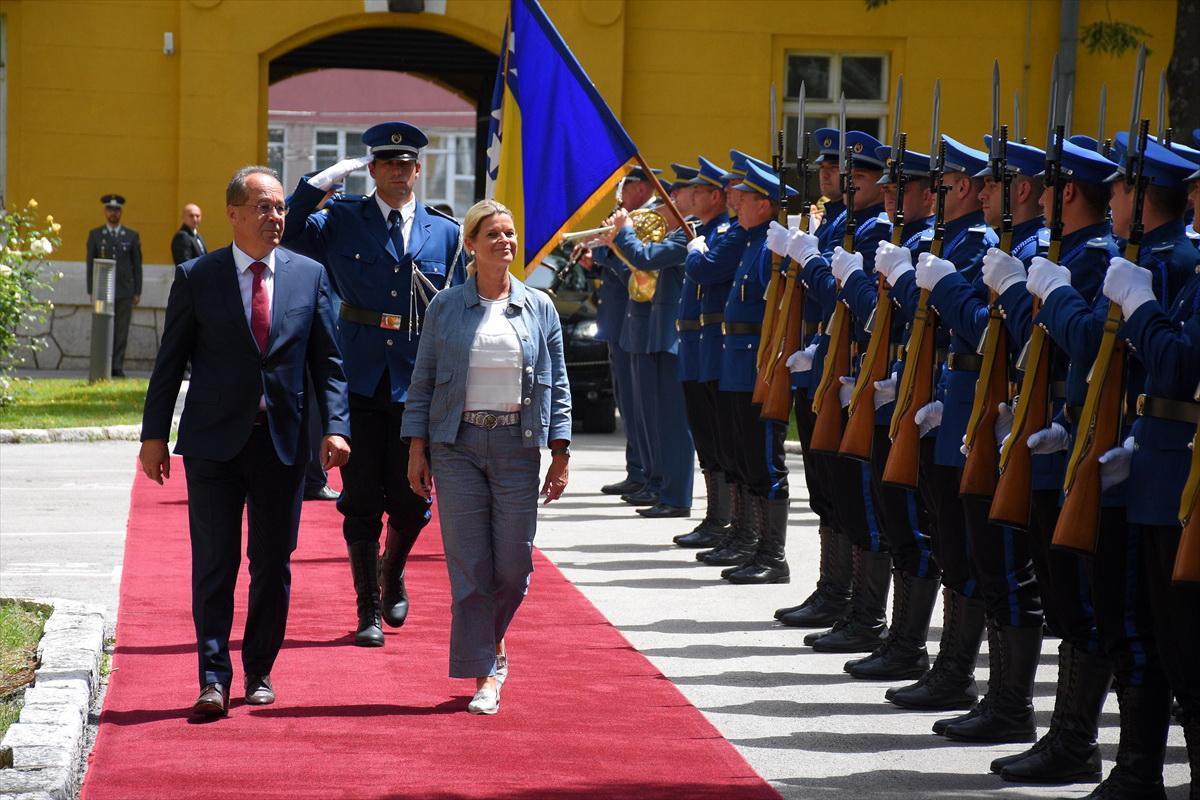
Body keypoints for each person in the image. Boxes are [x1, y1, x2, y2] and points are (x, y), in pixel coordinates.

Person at [138, 165, 351, 718]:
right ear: (233, 213)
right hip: (212, 445)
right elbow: (170, 364)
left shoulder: (309, 275)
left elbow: (328, 362)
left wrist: (337, 426)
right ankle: (212, 677)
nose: (276, 217)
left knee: (273, 563)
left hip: (282, 444)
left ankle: (259, 670)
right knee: (215, 562)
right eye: (264, 207)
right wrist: (154, 436)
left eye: (280, 207)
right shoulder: (198, 276)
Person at [282, 121, 466, 647]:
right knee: (360, 497)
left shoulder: (444, 231)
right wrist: (320, 182)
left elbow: (450, 308)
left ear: (417, 169)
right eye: (385, 164)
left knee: (412, 500)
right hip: (357, 373)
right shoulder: (342, 217)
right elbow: (290, 231)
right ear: (373, 169)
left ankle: (392, 570)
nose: (396, 172)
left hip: (416, 378)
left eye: (405, 164)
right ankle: (368, 610)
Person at [402, 199, 570, 715]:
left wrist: (560, 451)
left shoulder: (540, 306)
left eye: (510, 234)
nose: (505, 242)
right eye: (493, 234)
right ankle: (486, 670)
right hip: (458, 447)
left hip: (518, 447)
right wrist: (417, 449)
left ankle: (490, 641)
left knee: (515, 564)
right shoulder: (445, 306)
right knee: (471, 565)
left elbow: (558, 383)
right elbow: (423, 380)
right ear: (471, 245)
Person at [86, 194, 142, 377]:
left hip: (125, 290)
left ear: (121, 212)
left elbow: (137, 265)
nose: (113, 213)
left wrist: (137, 291)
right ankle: (104, 364)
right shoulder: (95, 235)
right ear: (105, 212)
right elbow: (90, 264)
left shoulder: (131, 236)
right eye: (110, 209)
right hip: (103, 290)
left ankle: (117, 366)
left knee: (121, 330)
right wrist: (91, 290)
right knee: (103, 327)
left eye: (117, 210)